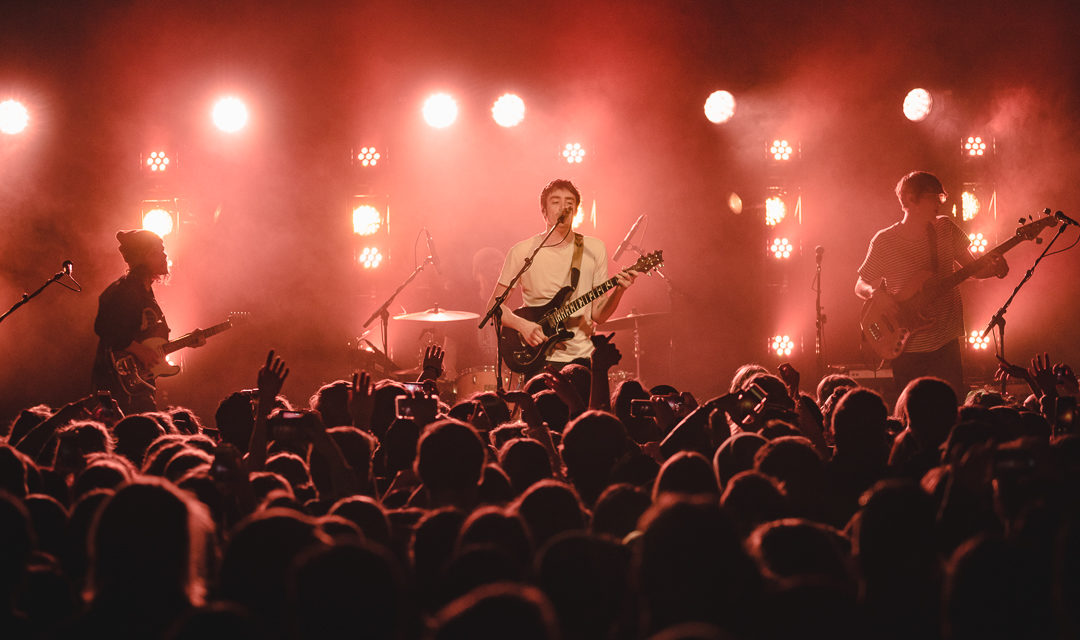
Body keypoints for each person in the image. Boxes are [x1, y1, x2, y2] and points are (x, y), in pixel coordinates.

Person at [855, 171, 1008, 395]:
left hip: (946, 341)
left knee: (950, 407)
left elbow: (972, 269)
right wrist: (876, 294)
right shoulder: (884, 241)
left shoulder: (945, 228)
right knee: (910, 411)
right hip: (905, 346)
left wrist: (994, 270)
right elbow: (860, 284)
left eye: (941, 197)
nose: (939, 201)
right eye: (932, 196)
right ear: (909, 198)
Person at [487, 179, 637, 377]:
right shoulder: (522, 251)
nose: (563, 207)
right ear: (544, 210)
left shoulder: (594, 248)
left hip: (583, 358)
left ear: (575, 210)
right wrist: (523, 326)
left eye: (569, 203)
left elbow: (599, 316)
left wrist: (619, 290)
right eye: (556, 202)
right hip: (539, 357)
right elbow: (493, 308)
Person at [91, 230, 201, 413]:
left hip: (139, 386)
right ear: (143, 257)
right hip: (120, 387)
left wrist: (189, 340)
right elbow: (104, 327)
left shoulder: (144, 292)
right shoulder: (125, 290)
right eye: (158, 251)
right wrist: (138, 350)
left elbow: (148, 344)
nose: (164, 255)